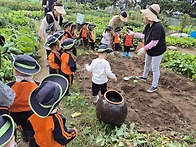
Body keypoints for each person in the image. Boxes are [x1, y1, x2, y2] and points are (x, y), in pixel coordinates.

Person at [28, 74, 77, 147]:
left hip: (39, 144)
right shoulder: (57, 119)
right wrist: (73, 132)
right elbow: (61, 138)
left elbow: (30, 131)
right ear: (59, 103)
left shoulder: (32, 114)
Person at [130, 4, 167, 93]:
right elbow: (144, 35)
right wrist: (133, 33)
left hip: (158, 50)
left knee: (155, 68)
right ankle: (144, 76)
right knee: (147, 63)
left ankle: (154, 86)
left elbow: (154, 42)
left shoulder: (158, 26)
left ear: (150, 17)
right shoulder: (149, 25)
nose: (144, 17)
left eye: (145, 15)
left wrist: (144, 48)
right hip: (150, 49)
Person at [7, 54, 40, 146]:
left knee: (22, 127)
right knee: (32, 130)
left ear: (15, 71)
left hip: (17, 116)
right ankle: (32, 140)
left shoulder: (9, 87)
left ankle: (24, 135)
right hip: (33, 114)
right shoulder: (37, 86)